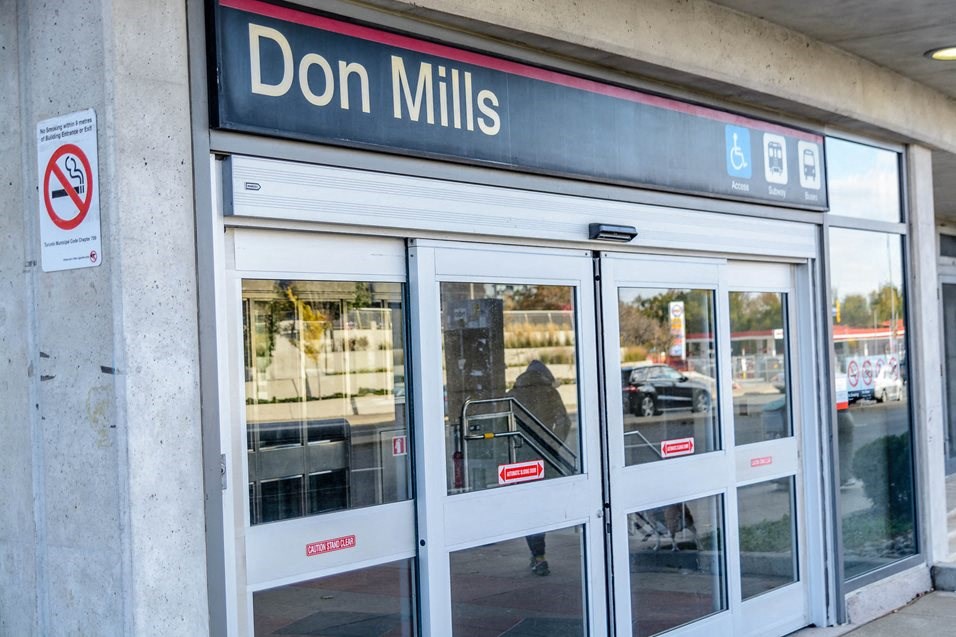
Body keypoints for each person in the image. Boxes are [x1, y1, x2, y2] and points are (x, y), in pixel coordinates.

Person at [506, 360, 571, 576]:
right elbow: (564, 422)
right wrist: (553, 443)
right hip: (547, 457)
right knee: (544, 504)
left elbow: (502, 427)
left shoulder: (512, 395)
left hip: (522, 458)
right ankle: (539, 553)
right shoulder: (550, 393)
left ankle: (538, 553)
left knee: (529, 507)